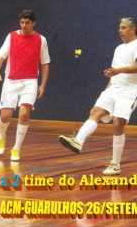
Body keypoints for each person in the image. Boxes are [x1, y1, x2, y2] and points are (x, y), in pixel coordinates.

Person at [59, 17, 137, 176]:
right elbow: (115, 71)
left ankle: (115, 164)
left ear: (133, 29)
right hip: (113, 88)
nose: (119, 30)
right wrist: (108, 88)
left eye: (123, 28)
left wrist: (118, 71)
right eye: (119, 27)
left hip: (130, 90)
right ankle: (78, 141)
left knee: (118, 123)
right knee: (95, 111)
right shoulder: (118, 49)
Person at [0, 10, 50, 161]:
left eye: (27, 23)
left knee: (24, 114)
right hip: (11, 80)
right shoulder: (11, 37)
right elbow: (0, 57)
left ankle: (16, 149)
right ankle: (2, 136)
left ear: (33, 23)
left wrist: (42, 85)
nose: (24, 25)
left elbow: (45, 64)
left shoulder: (41, 40)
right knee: (5, 116)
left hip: (30, 81)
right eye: (22, 23)